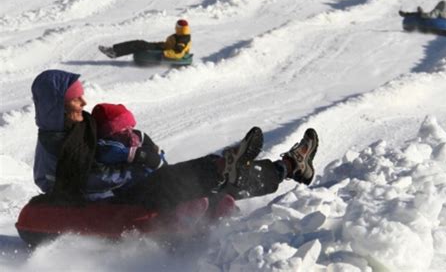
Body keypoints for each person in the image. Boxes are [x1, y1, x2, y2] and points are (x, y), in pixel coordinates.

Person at [31, 69, 319, 210]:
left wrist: (137, 146)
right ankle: (279, 167)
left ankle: (286, 167)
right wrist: (132, 167)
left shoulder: (76, 129)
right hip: (119, 198)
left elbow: (105, 148)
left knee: (205, 174)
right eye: (75, 98)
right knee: (193, 177)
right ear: (58, 104)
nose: (83, 100)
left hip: (130, 187)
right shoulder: (55, 144)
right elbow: (76, 183)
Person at [98, 19, 191, 60]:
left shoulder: (183, 39)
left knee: (139, 44)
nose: (175, 27)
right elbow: (171, 44)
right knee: (139, 43)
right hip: (163, 47)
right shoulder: (181, 34)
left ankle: (114, 52)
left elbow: (178, 52)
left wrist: (164, 54)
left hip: (164, 51)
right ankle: (114, 50)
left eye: (177, 25)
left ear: (179, 27)